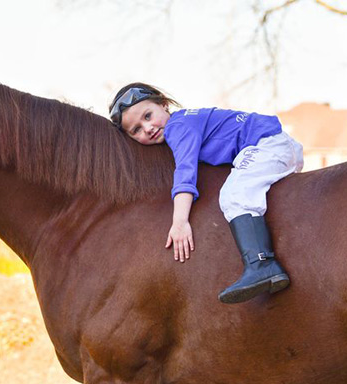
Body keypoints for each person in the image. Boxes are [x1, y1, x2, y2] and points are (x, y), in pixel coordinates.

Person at [108, 82, 303, 304]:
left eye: (148, 116)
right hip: (272, 144)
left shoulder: (178, 127)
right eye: (136, 130)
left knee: (234, 195)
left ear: (164, 105)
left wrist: (179, 221)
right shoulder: (184, 122)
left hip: (266, 144)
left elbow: (185, 172)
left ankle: (262, 264)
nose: (148, 128)